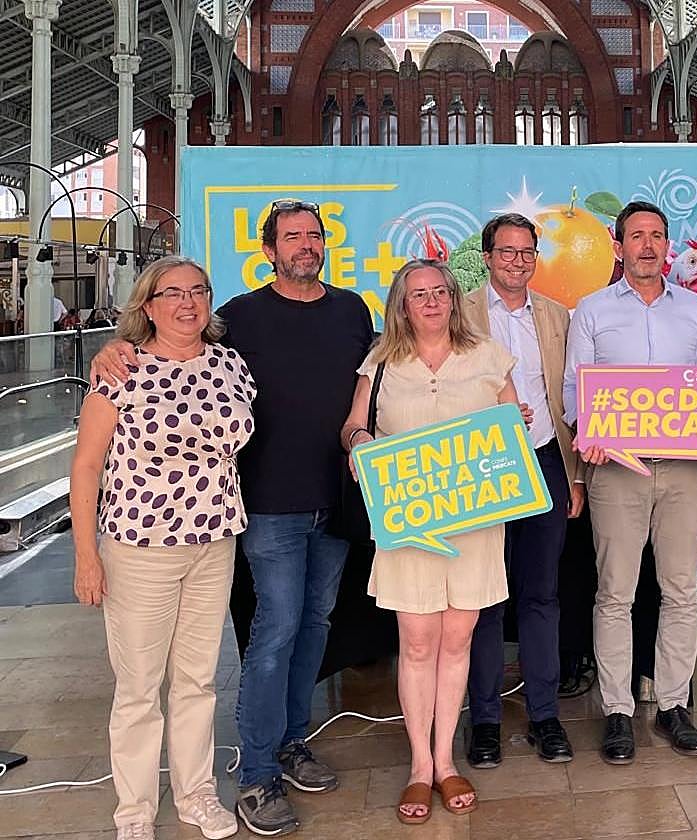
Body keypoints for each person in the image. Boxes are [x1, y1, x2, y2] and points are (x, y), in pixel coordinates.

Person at [91, 199, 375, 835]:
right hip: (264, 508)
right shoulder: (238, 318)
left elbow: (380, 378)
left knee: (314, 625)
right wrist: (109, 349)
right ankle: (256, 774)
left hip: (334, 502)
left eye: (314, 235)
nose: (305, 244)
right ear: (269, 250)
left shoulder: (353, 309)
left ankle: (291, 742)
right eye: (291, 236)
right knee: (273, 633)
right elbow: (165, 343)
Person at [71, 256, 256, 840]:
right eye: (172, 293)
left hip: (214, 540)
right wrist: (85, 555)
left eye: (198, 292)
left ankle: (197, 796)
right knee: (139, 687)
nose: (188, 303)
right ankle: (134, 812)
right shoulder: (120, 370)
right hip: (139, 546)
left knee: (198, 681)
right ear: (147, 306)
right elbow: (85, 467)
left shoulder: (229, 364)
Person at [341, 260, 525, 824]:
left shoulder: (489, 357)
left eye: (440, 292)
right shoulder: (380, 361)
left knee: (458, 638)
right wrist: (360, 441)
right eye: (418, 294)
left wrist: (516, 420)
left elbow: (512, 427)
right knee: (417, 641)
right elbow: (351, 425)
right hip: (410, 523)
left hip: (474, 523)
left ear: (453, 298)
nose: (430, 301)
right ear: (401, 303)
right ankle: (421, 766)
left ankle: (447, 760)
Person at [563, 200, 697, 764]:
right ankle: (619, 711)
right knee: (615, 594)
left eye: (657, 236)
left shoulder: (695, 309)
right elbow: (574, 391)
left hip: (683, 469)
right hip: (616, 471)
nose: (648, 246)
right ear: (618, 245)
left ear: (667, 245)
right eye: (637, 237)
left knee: (680, 590)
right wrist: (589, 430)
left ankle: (674, 705)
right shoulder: (592, 309)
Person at [461, 214, 585, 768]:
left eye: (526, 251)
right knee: (485, 598)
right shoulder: (455, 310)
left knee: (541, 595)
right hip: (483, 468)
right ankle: (484, 722)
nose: (517, 260)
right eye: (506, 251)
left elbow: (574, 397)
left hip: (545, 461)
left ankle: (544, 716)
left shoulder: (559, 317)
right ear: (487, 256)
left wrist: (576, 474)